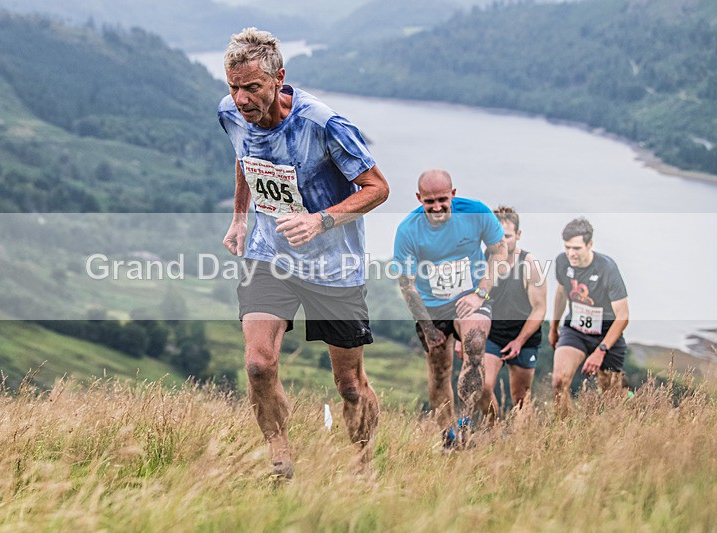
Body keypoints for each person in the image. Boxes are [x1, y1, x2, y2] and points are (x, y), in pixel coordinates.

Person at [218, 28, 389, 478]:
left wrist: (320, 220)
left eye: (252, 87)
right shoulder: (232, 113)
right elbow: (245, 154)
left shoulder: (323, 124)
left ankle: (363, 466)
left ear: (279, 79)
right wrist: (240, 217)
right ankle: (281, 460)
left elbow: (377, 188)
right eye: (233, 87)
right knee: (258, 365)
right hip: (269, 255)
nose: (241, 99)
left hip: (333, 266)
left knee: (349, 385)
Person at [393, 169, 506, 448]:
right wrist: (427, 327)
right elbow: (407, 284)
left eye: (442, 199)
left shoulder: (476, 212)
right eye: (429, 201)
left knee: (475, 348)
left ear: (453, 194)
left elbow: (499, 251)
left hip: (470, 297)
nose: (437, 207)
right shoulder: (408, 229)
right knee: (440, 372)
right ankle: (449, 438)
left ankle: (470, 425)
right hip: (431, 307)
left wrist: (480, 294)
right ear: (419, 198)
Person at [549, 217, 629, 417]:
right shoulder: (562, 262)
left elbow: (623, 316)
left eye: (576, 248)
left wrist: (601, 351)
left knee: (611, 399)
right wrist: (554, 327)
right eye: (567, 247)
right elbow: (561, 292)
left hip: (606, 334)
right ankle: (564, 429)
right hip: (575, 330)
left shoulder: (607, 268)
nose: (571, 253)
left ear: (590, 244)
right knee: (558, 381)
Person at [481, 206, 546, 417]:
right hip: (492, 334)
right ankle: (493, 430)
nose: (502, 242)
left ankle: (523, 435)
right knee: (483, 387)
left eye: (507, 237)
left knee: (520, 399)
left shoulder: (530, 264)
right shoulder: (482, 261)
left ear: (518, 235)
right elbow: (469, 300)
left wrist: (519, 341)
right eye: (497, 237)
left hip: (523, 336)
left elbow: (540, 309)